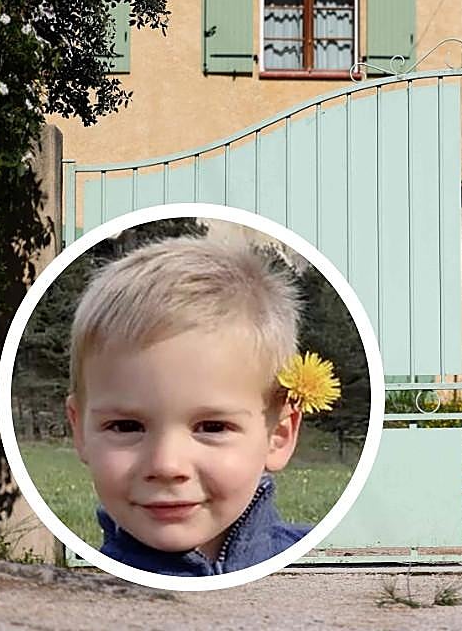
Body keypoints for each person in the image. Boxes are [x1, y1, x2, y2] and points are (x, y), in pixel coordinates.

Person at [64, 235, 340, 576]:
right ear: (79, 431)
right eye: (126, 426)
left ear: (279, 434)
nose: (166, 465)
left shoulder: (319, 566)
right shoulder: (87, 595)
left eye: (212, 427)